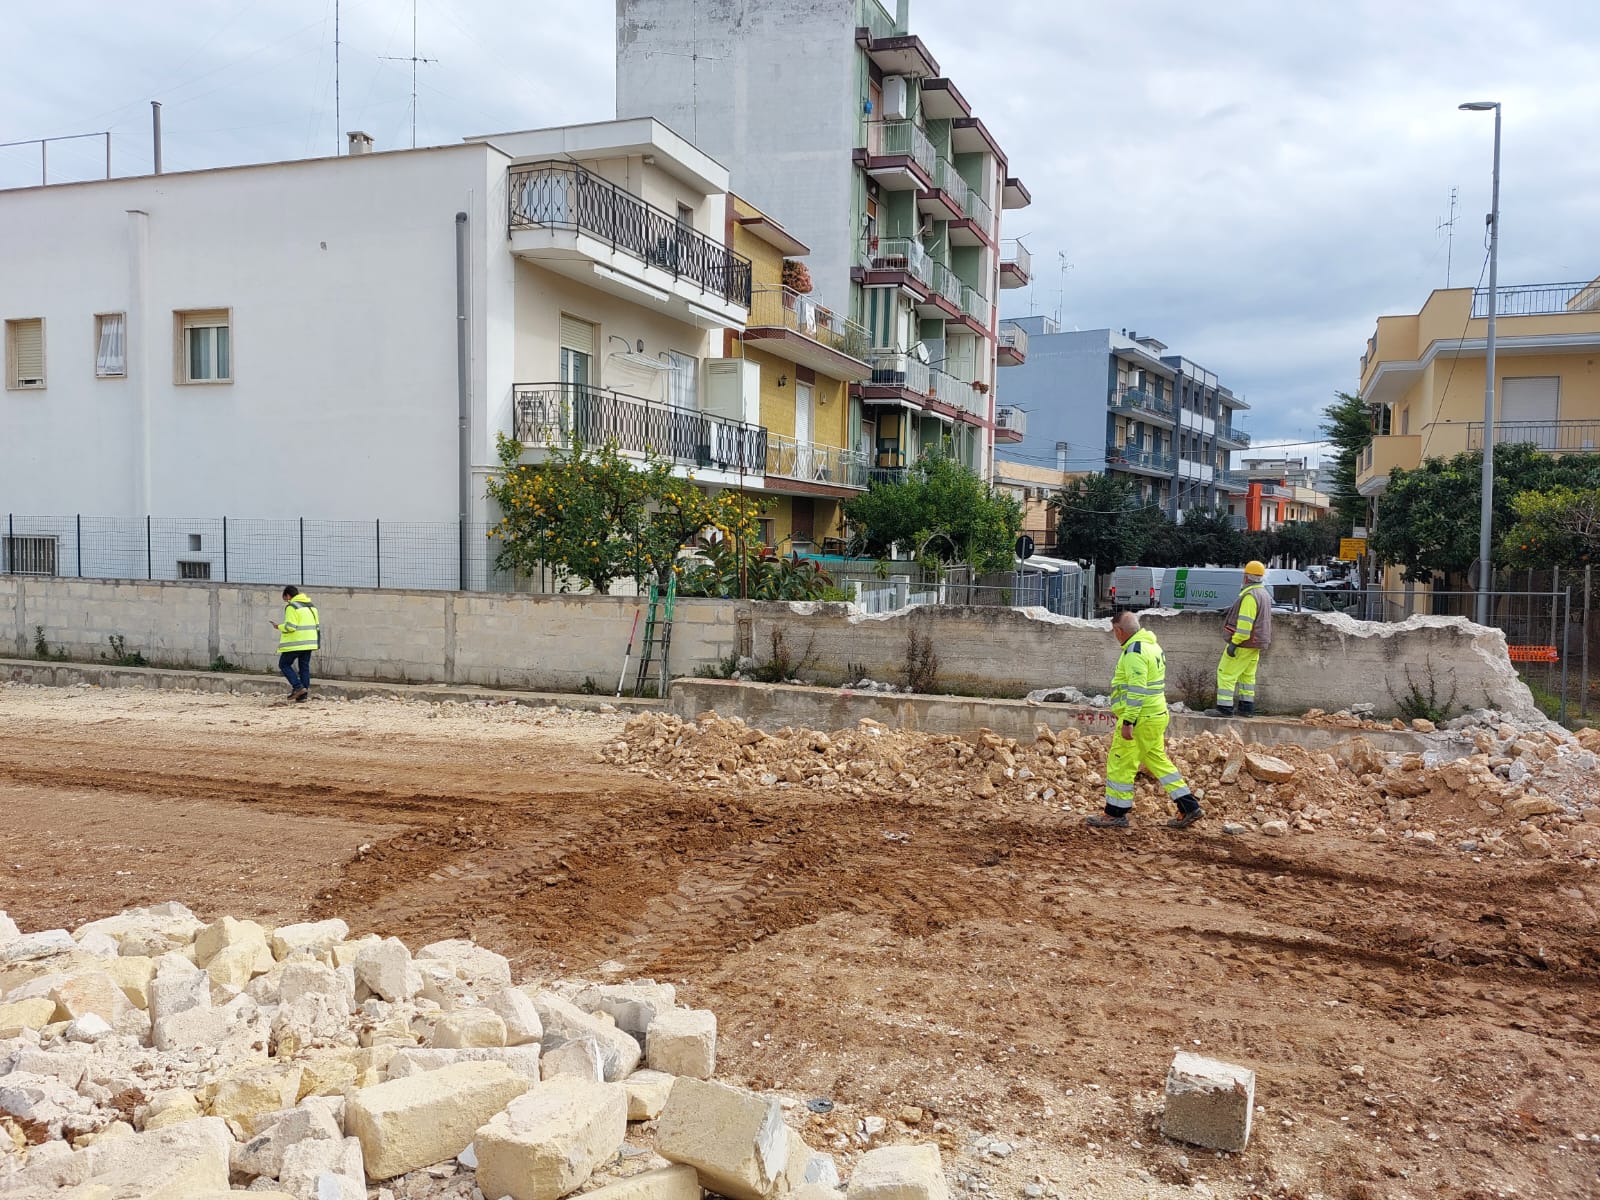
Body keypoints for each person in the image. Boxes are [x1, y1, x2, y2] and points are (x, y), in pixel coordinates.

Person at [1087, 611, 1205, 830]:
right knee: (1157, 761)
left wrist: (1129, 721)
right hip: (1156, 715)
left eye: (1115, 632)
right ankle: (1189, 806)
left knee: (1121, 761)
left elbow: (1136, 689)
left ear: (1118, 631)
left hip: (1140, 718)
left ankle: (1115, 814)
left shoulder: (1134, 652)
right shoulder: (1152, 646)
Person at [1207, 561, 1272, 717]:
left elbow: (1244, 627)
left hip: (1243, 643)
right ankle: (1246, 708)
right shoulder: (1263, 594)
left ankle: (1224, 708)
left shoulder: (1250, 596)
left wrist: (1234, 644)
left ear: (1246, 578)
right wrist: (1230, 610)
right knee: (1247, 676)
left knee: (1226, 673)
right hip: (1256, 644)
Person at [272, 585, 320, 702]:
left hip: (296, 642)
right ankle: (303, 695)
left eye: (286, 599)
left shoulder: (292, 607)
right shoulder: (311, 607)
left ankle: (298, 687)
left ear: (288, 595)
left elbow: (290, 627)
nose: (286, 601)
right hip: (310, 642)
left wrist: (278, 626)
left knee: (284, 664)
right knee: (304, 667)